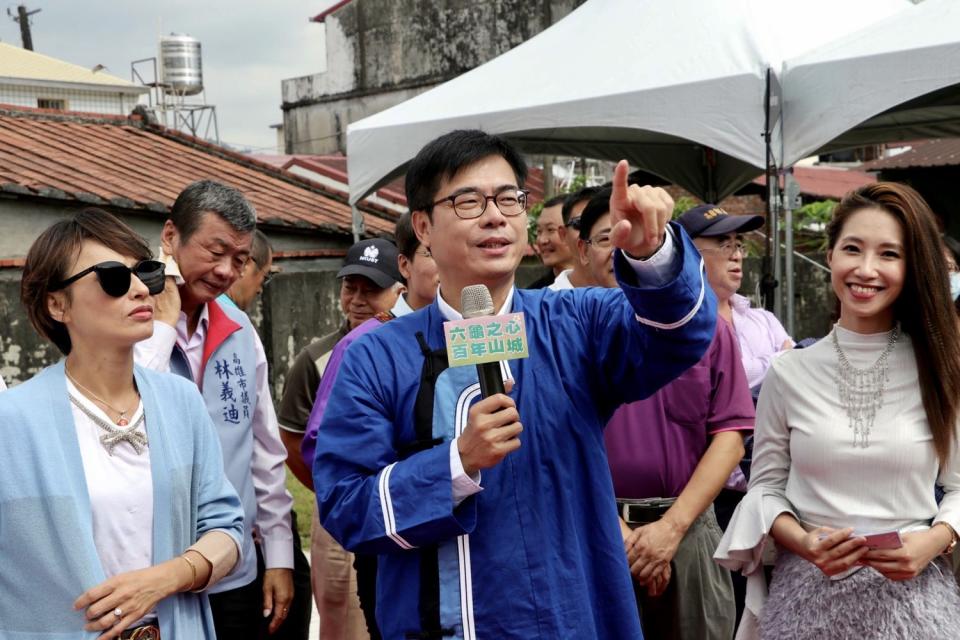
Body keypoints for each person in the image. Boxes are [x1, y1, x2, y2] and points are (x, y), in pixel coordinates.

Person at [313, 129, 716, 638]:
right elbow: (346, 507)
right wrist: (456, 462)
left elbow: (679, 337)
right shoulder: (376, 356)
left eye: (509, 198)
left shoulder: (576, 321)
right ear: (423, 227)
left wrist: (653, 255)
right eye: (467, 201)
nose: (495, 215)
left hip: (574, 615)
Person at [715, 182, 960, 639]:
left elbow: (958, 487)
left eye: (890, 254)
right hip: (806, 603)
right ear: (830, 256)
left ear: (914, 267)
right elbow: (765, 488)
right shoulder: (788, 372)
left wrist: (932, 541)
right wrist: (805, 542)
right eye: (853, 248)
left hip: (917, 605)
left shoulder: (943, 368)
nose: (866, 269)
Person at [1, 208, 243, 639]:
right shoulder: (13, 422)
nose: (138, 289)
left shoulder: (180, 400)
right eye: (113, 277)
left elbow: (226, 528)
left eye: (145, 273)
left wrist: (166, 577)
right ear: (58, 304)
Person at [574, 189, 753, 639]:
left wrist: (670, 530)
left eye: (640, 235)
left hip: (689, 527)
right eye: (607, 238)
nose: (625, 247)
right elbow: (554, 440)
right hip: (592, 527)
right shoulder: (563, 334)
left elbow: (730, 434)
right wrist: (619, 531)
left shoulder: (707, 327)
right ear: (582, 250)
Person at [134, 181, 295, 639]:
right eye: (214, 251)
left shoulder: (239, 329)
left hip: (232, 570)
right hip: (153, 573)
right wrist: (163, 329)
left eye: (240, 260)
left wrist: (279, 555)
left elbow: (263, 449)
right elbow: (123, 415)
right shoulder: (124, 319)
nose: (226, 271)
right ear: (171, 237)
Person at [302, 213, 439, 640]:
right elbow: (320, 448)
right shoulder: (364, 344)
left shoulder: (479, 334)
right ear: (406, 266)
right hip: (390, 531)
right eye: (432, 252)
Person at [279, 237, 404, 640]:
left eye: (372, 290)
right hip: (338, 511)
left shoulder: (410, 347)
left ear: (399, 290)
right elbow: (293, 440)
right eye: (351, 287)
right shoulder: (315, 357)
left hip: (403, 504)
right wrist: (335, 487)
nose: (358, 299)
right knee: (341, 617)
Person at [677, 204, 793, 391]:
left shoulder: (764, 319)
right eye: (725, 245)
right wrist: (783, 359)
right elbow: (728, 382)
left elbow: (802, 369)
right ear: (689, 254)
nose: (737, 255)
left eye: (738, 245)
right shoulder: (678, 325)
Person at [549, 186, 601, 290]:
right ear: (563, 235)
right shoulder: (546, 303)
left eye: (601, 224)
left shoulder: (635, 294)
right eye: (581, 223)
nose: (592, 233)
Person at [220, 229, 276, 311]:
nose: (260, 290)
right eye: (265, 278)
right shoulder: (234, 319)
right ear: (244, 265)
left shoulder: (201, 306)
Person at [528, 194, 574, 288]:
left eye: (550, 230)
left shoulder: (605, 285)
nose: (542, 240)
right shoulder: (534, 296)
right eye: (539, 231)